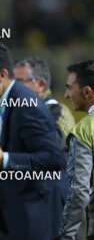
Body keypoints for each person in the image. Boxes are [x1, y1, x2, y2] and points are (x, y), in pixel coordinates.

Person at [0, 41, 65, 239]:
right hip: (14, 219)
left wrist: (4, 159)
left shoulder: (26, 104)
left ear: (2, 75)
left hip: (33, 221)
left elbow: (53, 159)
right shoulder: (5, 102)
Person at [60, 60, 94, 239]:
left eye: (69, 87)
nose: (66, 95)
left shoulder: (83, 131)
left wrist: (66, 234)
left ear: (87, 92)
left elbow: (79, 192)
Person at [13, 57, 75, 148]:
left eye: (19, 82)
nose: (13, 87)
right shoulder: (14, 110)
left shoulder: (59, 111)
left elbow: (52, 147)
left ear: (41, 84)